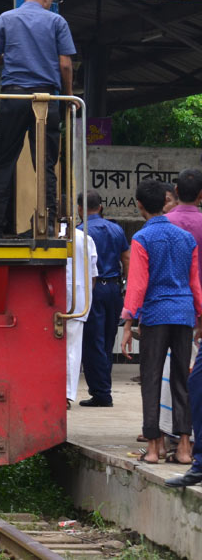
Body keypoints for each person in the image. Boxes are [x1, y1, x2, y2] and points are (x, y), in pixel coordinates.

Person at [0, 0, 77, 237]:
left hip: (13, 98)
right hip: (46, 100)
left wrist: (12, 56)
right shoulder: (57, 21)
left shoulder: (6, 18)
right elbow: (66, 64)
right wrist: (68, 97)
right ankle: (47, 223)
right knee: (46, 163)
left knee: (5, 161)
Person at [120, 179, 202, 466]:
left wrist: (129, 321)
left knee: (152, 379)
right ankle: (183, 448)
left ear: (139, 205)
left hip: (155, 315)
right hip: (183, 314)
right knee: (182, 380)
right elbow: (195, 283)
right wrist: (200, 315)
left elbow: (138, 284)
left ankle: (155, 448)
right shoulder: (185, 239)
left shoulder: (142, 238)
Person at [77, 191, 130, 408]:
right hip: (114, 290)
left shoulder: (80, 232)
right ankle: (103, 387)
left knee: (92, 342)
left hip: (94, 289)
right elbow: (126, 258)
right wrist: (126, 285)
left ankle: (101, 393)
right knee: (108, 341)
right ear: (100, 207)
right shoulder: (116, 229)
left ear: (80, 209)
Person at [65, 222, 97, 408]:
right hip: (78, 299)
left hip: (50, 296)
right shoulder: (85, 238)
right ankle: (67, 394)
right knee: (72, 349)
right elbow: (93, 274)